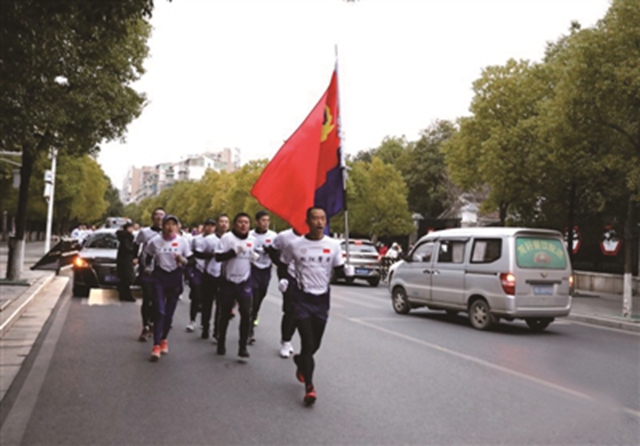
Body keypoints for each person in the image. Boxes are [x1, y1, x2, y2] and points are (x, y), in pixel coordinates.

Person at [280, 207, 354, 405]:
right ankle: (310, 387)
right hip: (302, 299)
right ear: (308, 221)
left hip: (322, 300)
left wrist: (347, 272)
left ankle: (301, 361)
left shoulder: (333, 245)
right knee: (307, 341)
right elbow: (283, 264)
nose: (319, 222)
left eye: (323, 218)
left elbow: (338, 271)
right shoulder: (295, 245)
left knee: (315, 345)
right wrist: (284, 280)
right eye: (315, 218)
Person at [143, 214, 193, 361]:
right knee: (160, 311)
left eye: (173, 224)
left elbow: (190, 261)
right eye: (167, 224)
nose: (170, 227)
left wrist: (182, 260)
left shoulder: (182, 242)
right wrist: (147, 267)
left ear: (177, 227)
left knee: (169, 314)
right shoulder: (155, 242)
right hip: (159, 277)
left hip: (175, 277)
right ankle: (156, 345)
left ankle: (164, 338)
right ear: (163, 226)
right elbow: (148, 256)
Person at [214, 212, 258, 358]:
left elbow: (252, 255)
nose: (243, 225)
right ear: (235, 224)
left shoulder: (252, 239)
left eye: (246, 222)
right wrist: (233, 252)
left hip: (244, 281)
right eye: (240, 222)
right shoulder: (227, 238)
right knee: (225, 314)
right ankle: (221, 342)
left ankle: (243, 346)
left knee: (246, 313)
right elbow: (218, 257)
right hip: (228, 280)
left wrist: (253, 257)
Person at [267, 227, 304, 358]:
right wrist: (283, 274)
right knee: (290, 310)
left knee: (304, 314)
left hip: (309, 280)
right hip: (290, 277)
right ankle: (286, 341)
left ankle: (291, 338)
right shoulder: (284, 236)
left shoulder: (317, 237)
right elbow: (272, 251)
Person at [135, 207, 165, 341]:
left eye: (162, 215)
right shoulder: (145, 232)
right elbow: (136, 245)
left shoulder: (168, 233)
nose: (159, 217)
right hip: (147, 269)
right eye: (156, 215)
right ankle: (145, 325)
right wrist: (135, 258)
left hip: (162, 270)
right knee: (147, 298)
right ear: (152, 218)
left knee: (158, 300)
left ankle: (154, 322)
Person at [198, 214, 229, 341]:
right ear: (217, 224)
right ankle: (205, 326)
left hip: (224, 276)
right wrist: (210, 255)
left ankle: (217, 330)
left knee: (221, 305)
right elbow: (197, 253)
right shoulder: (209, 240)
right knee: (207, 303)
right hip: (210, 274)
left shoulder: (231, 239)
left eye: (226, 222)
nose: (223, 224)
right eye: (221, 221)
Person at [248, 210, 277, 344]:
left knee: (260, 296)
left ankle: (254, 313)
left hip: (266, 269)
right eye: (263, 220)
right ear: (256, 222)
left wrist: (270, 251)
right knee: (253, 298)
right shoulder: (250, 236)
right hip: (252, 269)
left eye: (267, 221)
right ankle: (249, 328)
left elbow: (278, 254)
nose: (265, 223)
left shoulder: (273, 236)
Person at [185, 218, 216, 332]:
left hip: (210, 272)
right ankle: (192, 320)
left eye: (212, 226)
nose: (209, 228)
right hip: (198, 269)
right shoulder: (196, 240)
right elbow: (191, 254)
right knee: (196, 296)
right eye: (207, 225)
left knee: (207, 299)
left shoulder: (217, 240)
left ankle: (204, 321)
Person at [116, 222, 137, 302]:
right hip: (126, 260)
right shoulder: (127, 237)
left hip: (123, 260)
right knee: (127, 278)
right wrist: (134, 249)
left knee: (124, 278)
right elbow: (127, 248)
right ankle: (126, 295)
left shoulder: (123, 237)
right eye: (131, 227)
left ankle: (123, 294)